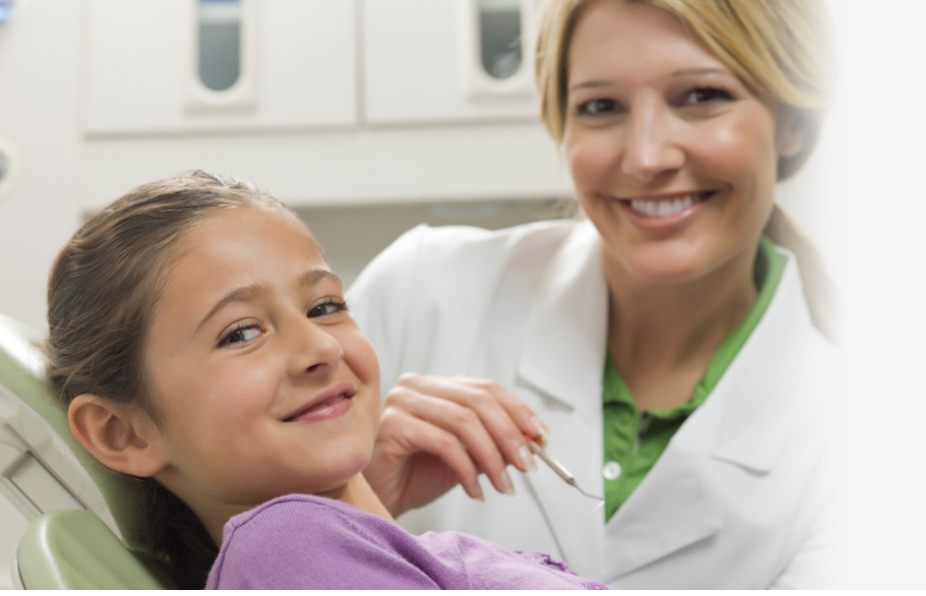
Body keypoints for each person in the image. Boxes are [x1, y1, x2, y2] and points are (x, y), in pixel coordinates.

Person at [350, 0, 842, 589]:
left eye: (701, 96)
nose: (647, 156)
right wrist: (350, 511)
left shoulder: (865, 447)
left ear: (794, 122)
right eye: (601, 106)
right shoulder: (417, 294)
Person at [43, 171, 611, 590]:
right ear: (122, 433)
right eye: (241, 333)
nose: (321, 346)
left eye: (325, 306)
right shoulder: (283, 544)